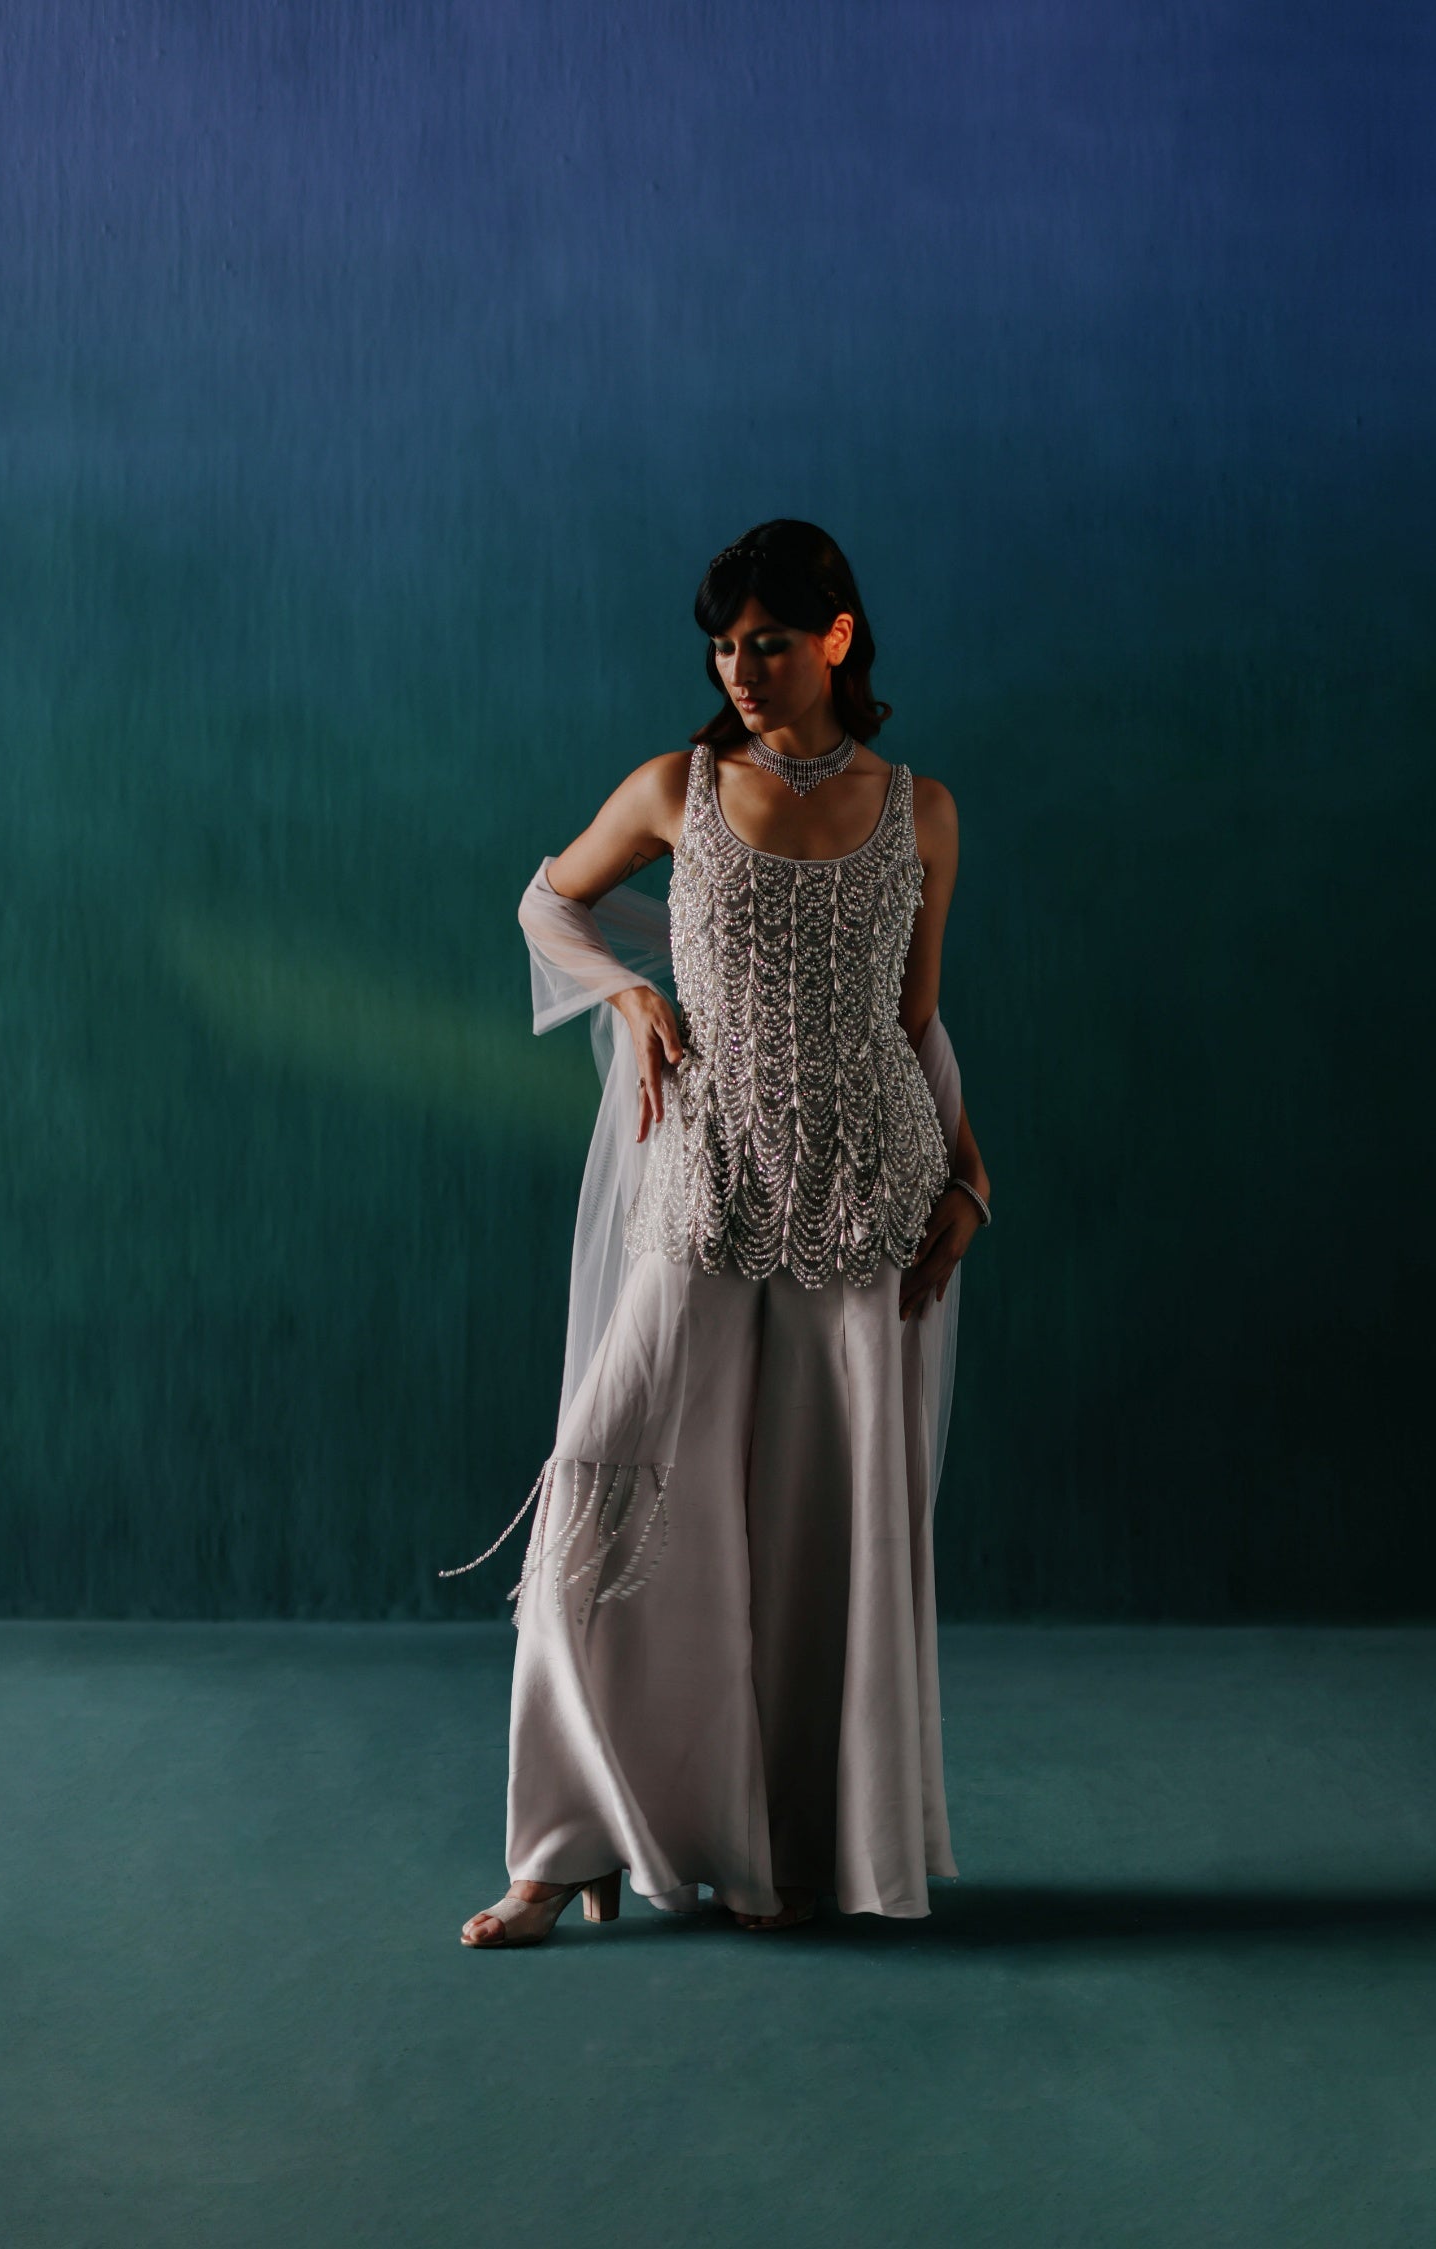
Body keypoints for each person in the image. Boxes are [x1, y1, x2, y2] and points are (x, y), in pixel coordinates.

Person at [445, 519, 993, 1946]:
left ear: (837, 637)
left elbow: (916, 1023)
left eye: (767, 641)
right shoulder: (674, 789)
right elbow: (548, 900)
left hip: (867, 1192)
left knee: (822, 1533)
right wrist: (629, 996)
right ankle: (561, 1847)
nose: (737, 669)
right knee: (604, 1478)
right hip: (708, 1181)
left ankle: (788, 1850)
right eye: (723, 645)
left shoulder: (921, 810)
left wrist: (970, 1179)